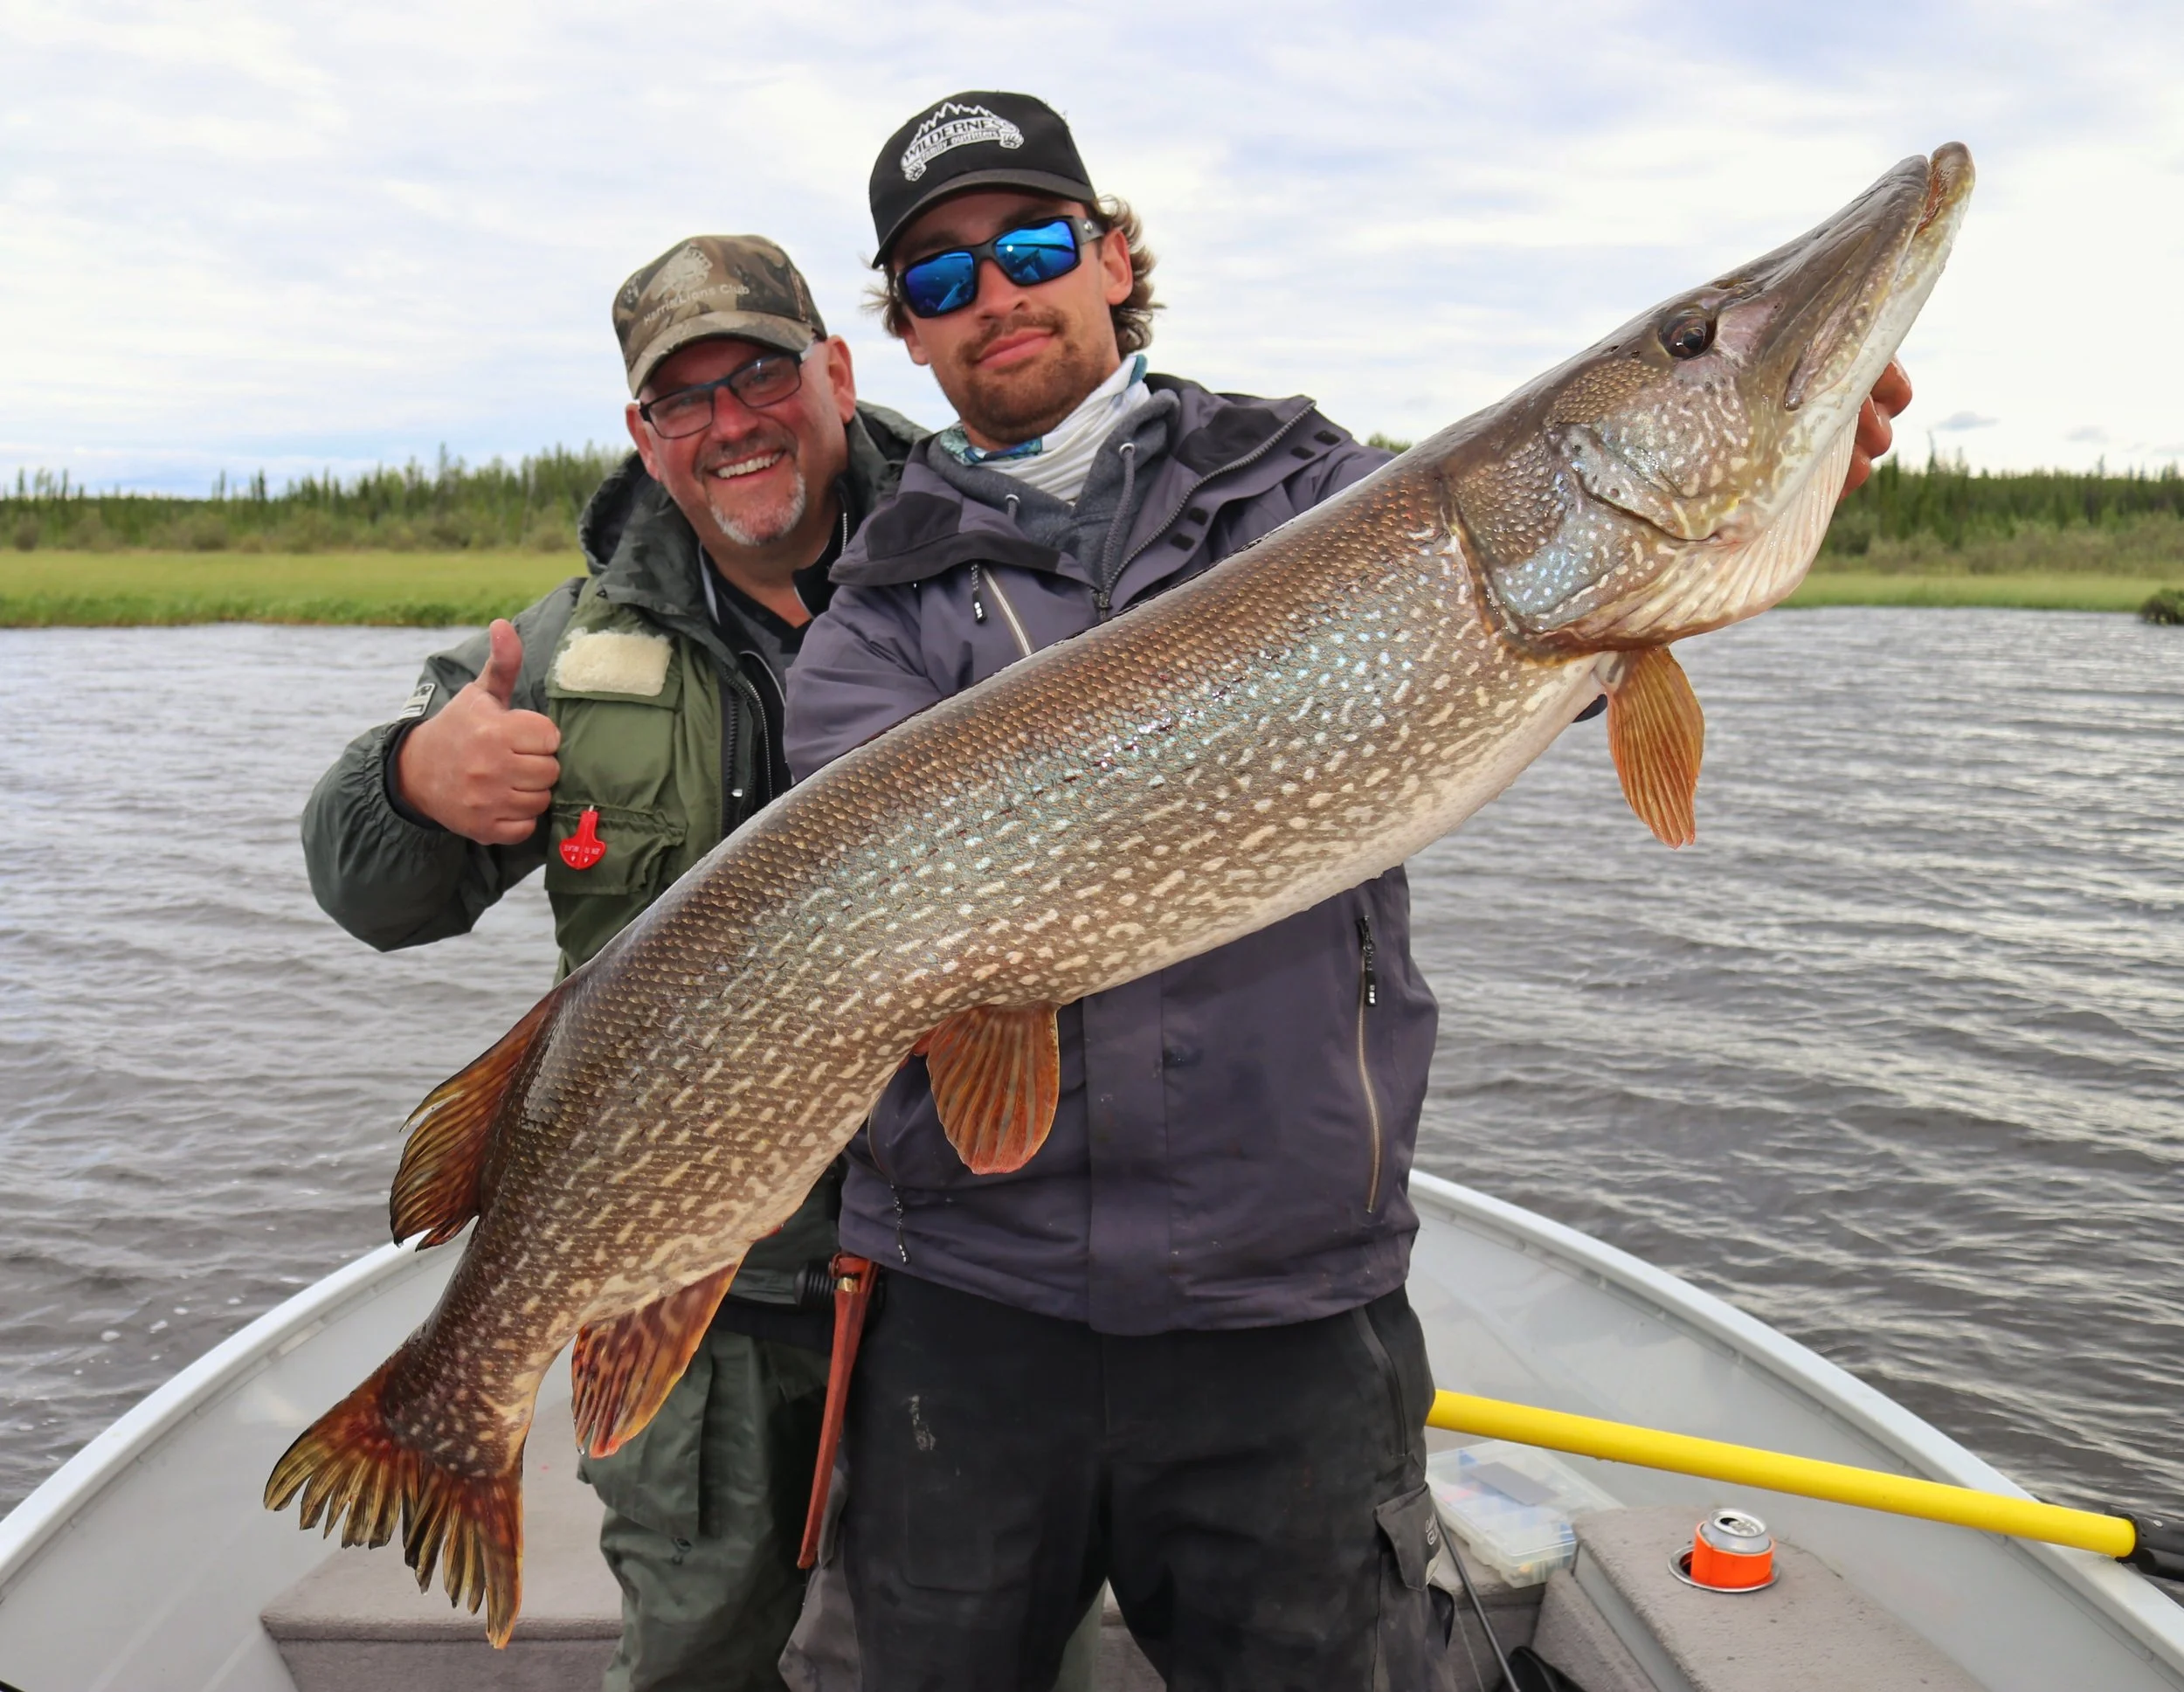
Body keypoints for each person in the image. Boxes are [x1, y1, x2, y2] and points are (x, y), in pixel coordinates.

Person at [784, 92, 1913, 1692]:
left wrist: (1770, 471)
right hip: (973, 1315)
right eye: (941, 278)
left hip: (1286, 1297)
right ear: (903, 333)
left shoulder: (1315, 490)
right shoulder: (874, 621)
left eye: (1029, 245)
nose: (996, 293)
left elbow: (1565, 616)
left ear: (1111, 258)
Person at [301, 235, 923, 1692]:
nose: (732, 422)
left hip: (967, 1268)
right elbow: (362, 890)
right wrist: (407, 779)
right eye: (684, 399)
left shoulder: (982, 586)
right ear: (643, 435)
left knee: (988, 1648)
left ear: (834, 373)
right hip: (694, 1289)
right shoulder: (562, 654)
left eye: (760, 372)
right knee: (700, 1650)